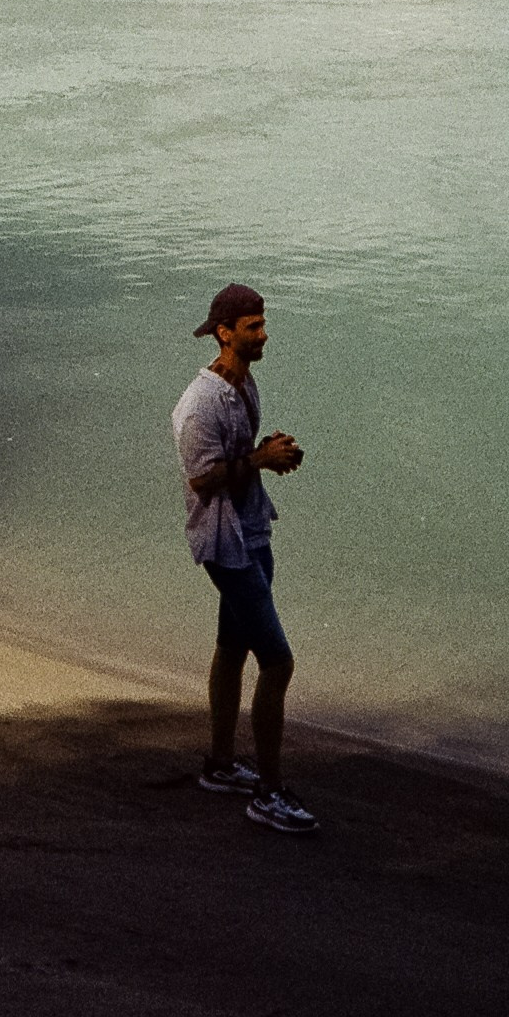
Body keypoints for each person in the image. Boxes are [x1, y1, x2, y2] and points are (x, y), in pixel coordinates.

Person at [170, 281, 316, 833]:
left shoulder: (245, 383)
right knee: (278, 662)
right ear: (224, 332)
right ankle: (269, 793)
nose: (263, 334)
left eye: (263, 323)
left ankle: (220, 764)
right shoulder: (198, 405)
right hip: (224, 544)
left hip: (253, 530)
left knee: (232, 648)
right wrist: (259, 458)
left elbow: (241, 458)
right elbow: (202, 480)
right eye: (252, 327)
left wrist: (266, 455)